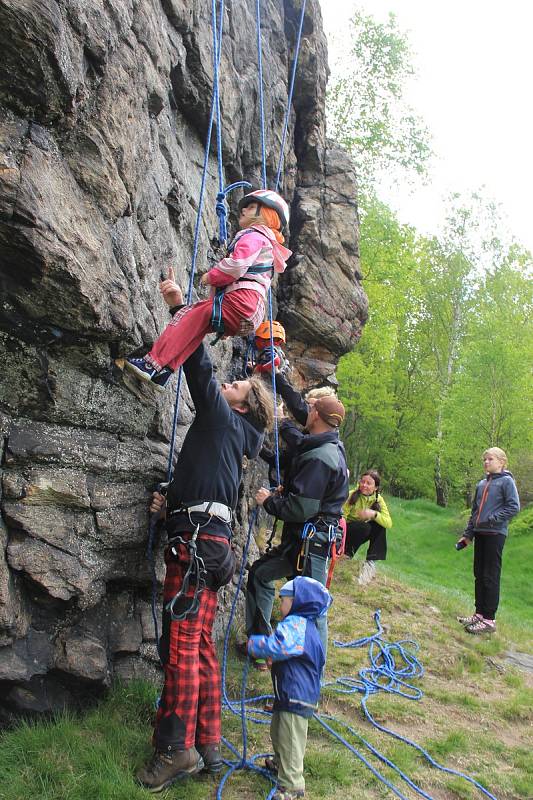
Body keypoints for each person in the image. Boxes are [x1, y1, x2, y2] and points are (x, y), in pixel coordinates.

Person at [136, 279, 275, 792]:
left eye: (238, 387)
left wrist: (179, 306)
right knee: (202, 650)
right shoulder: (236, 437)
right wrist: (172, 498)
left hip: (195, 547)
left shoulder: (221, 417)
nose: (230, 384)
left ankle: (176, 750)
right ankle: (209, 743)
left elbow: (197, 367)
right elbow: (204, 479)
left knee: (180, 649)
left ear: (241, 404)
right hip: (212, 548)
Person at [125, 190, 292, 391]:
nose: (244, 209)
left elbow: (237, 266)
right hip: (249, 310)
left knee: (189, 316)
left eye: (250, 206)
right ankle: (164, 372)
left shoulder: (255, 236)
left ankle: (151, 364)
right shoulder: (267, 246)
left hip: (242, 302)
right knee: (200, 323)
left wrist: (210, 275)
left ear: (265, 213)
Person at [248, 390, 348, 662]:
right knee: (260, 574)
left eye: (311, 408)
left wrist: (269, 501)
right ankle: (262, 648)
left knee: (312, 605)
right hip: (302, 541)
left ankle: (310, 673)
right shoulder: (325, 446)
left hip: (312, 543)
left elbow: (301, 508)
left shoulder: (321, 456)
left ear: (315, 415)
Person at [248, 577, 332, 800]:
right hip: (290, 694)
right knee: (279, 732)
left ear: (298, 602)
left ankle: (292, 785)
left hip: (296, 694)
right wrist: (276, 660)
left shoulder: (296, 624)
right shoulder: (304, 625)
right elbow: (291, 652)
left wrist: (255, 646)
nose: (279, 603)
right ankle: (280, 764)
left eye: (283, 599)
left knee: (291, 740)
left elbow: (280, 646)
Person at [456, 447, 520, 635]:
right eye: (484, 459)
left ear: (501, 462)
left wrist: (492, 519)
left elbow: (513, 507)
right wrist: (468, 534)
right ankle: (479, 615)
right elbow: (475, 512)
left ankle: (489, 620)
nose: (486, 462)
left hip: (495, 535)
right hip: (480, 534)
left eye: (490, 459)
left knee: (490, 576)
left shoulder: (507, 482)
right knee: (479, 574)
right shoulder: (482, 484)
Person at [342, 470, 392, 586]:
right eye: (362, 482)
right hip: (345, 532)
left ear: (375, 487)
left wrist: (373, 514)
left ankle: (371, 562)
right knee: (363, 527)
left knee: (380, 525)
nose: (364, 485)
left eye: (368, 483)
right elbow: (341, 517)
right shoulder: (351, 495)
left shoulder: (378, 499)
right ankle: (346, 554)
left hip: (361, 531)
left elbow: (388, 523)